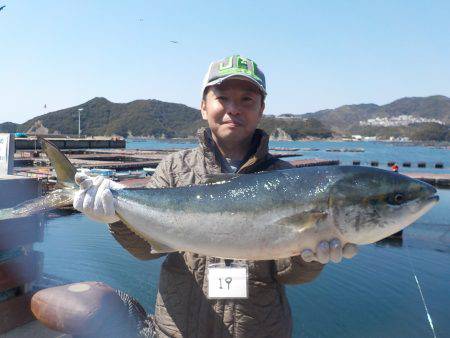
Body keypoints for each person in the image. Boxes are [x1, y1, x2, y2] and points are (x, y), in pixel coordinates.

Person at [74, 55, 358, 338]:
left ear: (261, 110)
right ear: (203, 106)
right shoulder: (174, 169)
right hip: (177, 330)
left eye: (247, 99)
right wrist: (115, 217)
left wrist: (312, 257)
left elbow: (290, 275)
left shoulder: (284, 178)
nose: (233, 109)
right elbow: (145, 250)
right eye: (222, 98)